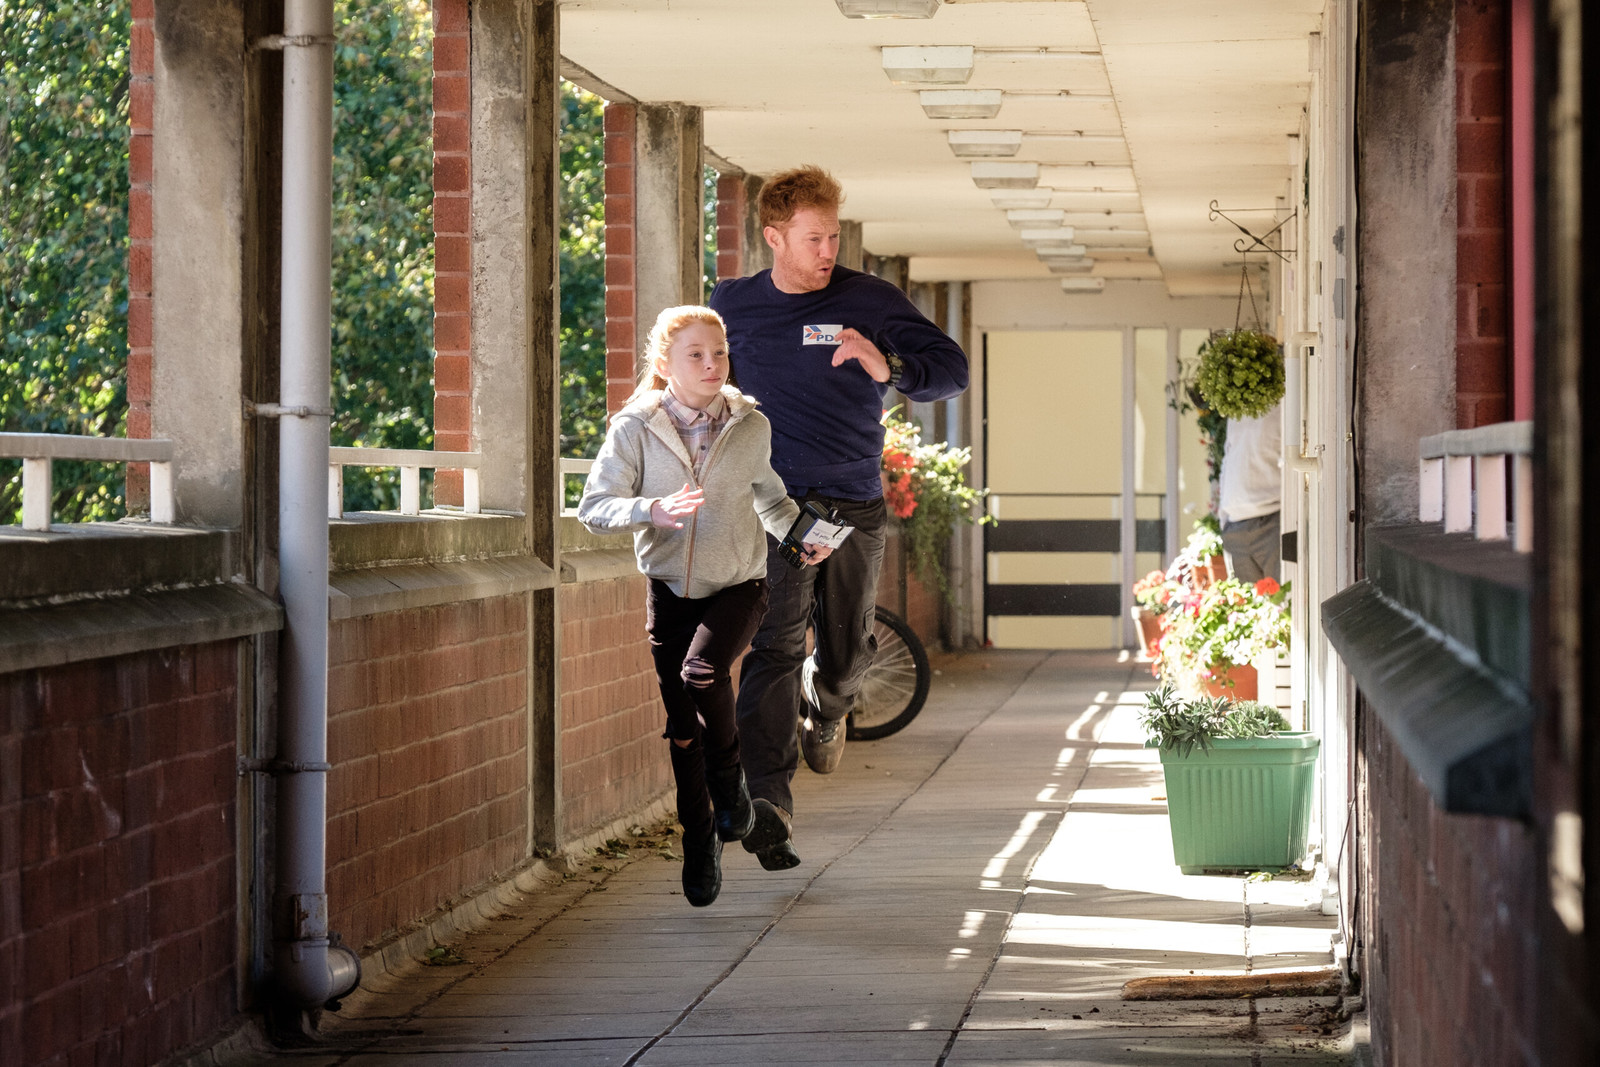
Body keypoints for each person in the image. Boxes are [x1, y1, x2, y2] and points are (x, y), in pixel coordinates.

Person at [709, 165, 969, 872]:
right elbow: (696, 378)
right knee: (773, 645)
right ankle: (769, 800)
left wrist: (887, 367)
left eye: (833, 237)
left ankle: (828, 706)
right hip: (774, 508)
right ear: (774, 238)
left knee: (847, 651)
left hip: (850, 502)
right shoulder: (732, 304)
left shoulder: (868, 298)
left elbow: (951, 370)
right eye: (813, 238)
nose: (827, 250)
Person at [577, 305, 829, 907]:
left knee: (704, 673)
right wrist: (650, 510)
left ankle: (733, 793)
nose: (712, 364)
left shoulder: (750, 425)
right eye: (696, 354)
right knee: (682, 728)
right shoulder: (634, 428)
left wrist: (801, 537)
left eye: (719, 353)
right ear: (665, 365)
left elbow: (771, 500)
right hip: (668, 591)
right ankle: (700, 839)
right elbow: (594, 507)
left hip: (740, 583)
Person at [1216, 405, 1283, 584]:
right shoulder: (1238, 406)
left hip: (1272, 519)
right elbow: (1228, 458)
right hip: (1235, 528)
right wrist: (1224, 519)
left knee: (1287, 598)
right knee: (1248, 601)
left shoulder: (1282, 399)